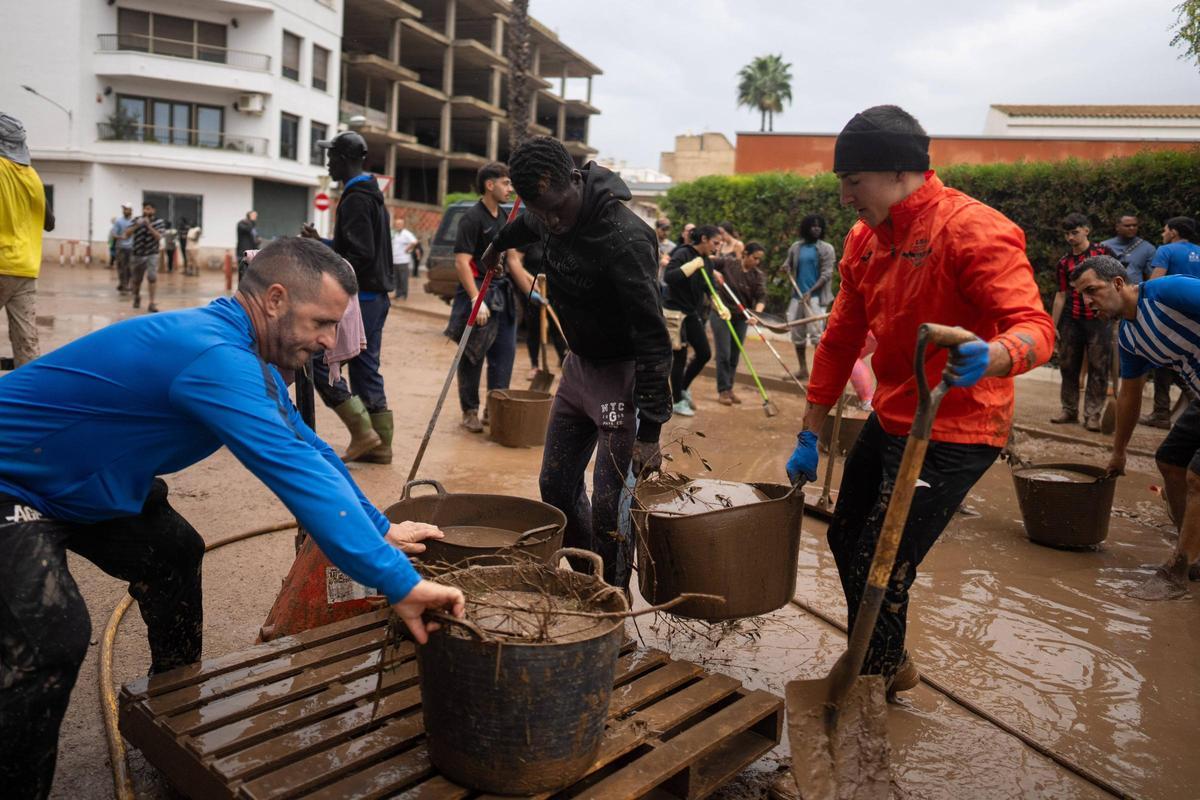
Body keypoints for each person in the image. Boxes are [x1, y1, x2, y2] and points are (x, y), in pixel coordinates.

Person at [0, 236, 464, 799]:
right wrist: (399, 582)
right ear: (274, 299)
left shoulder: (248, 356)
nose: (328, 341)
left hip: (76, 483)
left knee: (173, 553)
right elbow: (294, 472)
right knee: (50, 636)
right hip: (12, 481)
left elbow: (309, 447)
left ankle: (171, 708)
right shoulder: (214, 357)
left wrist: (380, 528)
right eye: (321, 323)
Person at [785, 105, 1053, 694]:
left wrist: (995, 355)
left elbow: (1036, 328)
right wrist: (809, 430)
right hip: (894, 414)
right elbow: (840, 340)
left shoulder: (972, 229)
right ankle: (890, 660)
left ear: (898, 172)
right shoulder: (863, 239)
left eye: (853, 182)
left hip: (958, 428)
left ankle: (872, 676)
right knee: (844, 536)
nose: (845, 198)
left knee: (882, 561)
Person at [483, 136, 673, 589]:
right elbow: (525, 224)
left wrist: (651, 432)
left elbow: (653, 336)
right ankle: (591, 583)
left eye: (555, 210)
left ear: (573, 180)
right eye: (541, 211)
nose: (551, 221)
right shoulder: (547, 207)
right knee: (555, 487)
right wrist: (496, 245)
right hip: (577, 371)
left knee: (610, 508)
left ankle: (614, 600)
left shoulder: (627, 239)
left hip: (620, 381)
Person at [1074, 254, 1200, 600]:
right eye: (1082, 296)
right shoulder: (1129, 337)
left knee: (1197, 477)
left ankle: (1176, 572)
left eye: (1092, 291)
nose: (1087, 302)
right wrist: (1119, 453)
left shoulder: (1168, 292)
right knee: (1170, 462)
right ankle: (1191, 549)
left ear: (1118, 284)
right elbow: (1129, 394)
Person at [301, 131, 396, 463]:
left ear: (343, 159)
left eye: (331, 157)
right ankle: (380, 446)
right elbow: (358, 248)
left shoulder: (356, 199)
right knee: (366, 368)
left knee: (318, 360)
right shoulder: (370, 195)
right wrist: (323, 244)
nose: (328, 163)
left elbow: (360, 255)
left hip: (361, 299)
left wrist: (325, 260)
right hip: (375, 297)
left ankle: (362, 431)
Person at [448, 161, 536, 433]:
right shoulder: (472, 218)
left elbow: (513, 261)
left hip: (503, 297)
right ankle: (470, 411)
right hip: (478, 292)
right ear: (490, 185)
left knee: (504, 356)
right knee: (473, 356)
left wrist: (533, 291)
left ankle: (494, 409)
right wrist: (476, 298)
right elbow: (462, 262)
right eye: (505, 183)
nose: (510, 189)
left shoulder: (505, 219)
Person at [1050, 212, 1114, 431]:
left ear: (1087, 230)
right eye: (1067, 234)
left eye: (1074, 232)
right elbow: (1061, 295)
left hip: (1099, 318)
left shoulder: (1103, 253)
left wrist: (1115, 310)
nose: (1070, 237)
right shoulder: (1064, 262)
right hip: (1072, 319)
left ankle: (1093, 415)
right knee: (1068, 366)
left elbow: (1117, 281)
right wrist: (1052, 325)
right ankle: (1069, 410)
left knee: (1099, 367)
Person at [0, 113, 53, 366]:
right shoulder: (32, 176)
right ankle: (29, 386)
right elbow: (49, 222)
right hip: (26, 269)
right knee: (27, 343)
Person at [1138, 217, 1200, 428]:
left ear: (1174, 232)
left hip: (1170, 317)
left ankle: (1161, 413)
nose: (1163, 233)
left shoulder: (1166, 250)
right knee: (1188, 363)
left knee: (1163, 363)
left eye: (1165, 230)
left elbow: (1155, 284)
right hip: (1195, 318)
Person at [663, 224, 723, 417]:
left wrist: (719, 305)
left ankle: (682, 388)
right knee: (680, 357)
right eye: (715, 243)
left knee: (704, 353)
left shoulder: (707, 261)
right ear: (704, 239)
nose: (717, 248)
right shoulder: (683, 253)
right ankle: (676, 401)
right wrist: (690, 266)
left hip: (691, 312)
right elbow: (669, 277)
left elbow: (710, 287)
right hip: (675, 312)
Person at [781, 214, 836, 380]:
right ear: (806, 228)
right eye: (813, 226)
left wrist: (811, 291)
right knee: (797, 333)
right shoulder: (796, 247)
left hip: (816, 299)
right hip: (797, 297)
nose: (816, 229)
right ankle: (803, 369)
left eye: (819, 226)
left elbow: (827, 273)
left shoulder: (826, 249)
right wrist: (785, 267)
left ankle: (821, 374)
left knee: (817, 335)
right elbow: (787, 264)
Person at [712, 241, 766, 405]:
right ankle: (723, 390)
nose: (757, 262)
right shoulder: (728, 263)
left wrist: (756, 315)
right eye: (755, 258)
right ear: (745, 254)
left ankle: (729, 388)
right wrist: (714, 272)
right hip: (722, 314)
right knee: (724, 353)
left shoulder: (757, 275)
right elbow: (706, 262)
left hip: (741, 317)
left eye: (759, 259)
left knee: (734, 355)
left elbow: (761, 297)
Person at [126, 200, 166, 312]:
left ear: (153, 210)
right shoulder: (136, 220)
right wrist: (137, 225)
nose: (146, 211)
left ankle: (152, 303)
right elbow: (126, 234)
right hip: (137, 254)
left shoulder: (159, 222)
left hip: (152, 253)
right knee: (136, 280)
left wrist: (149, 226)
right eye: (144, 209)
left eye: (148, 209)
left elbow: (159, 237)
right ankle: (137, 296)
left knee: (152, 277)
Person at [1102, 214, 1156, 285]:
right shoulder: (1104, 246)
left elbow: (1151, 277)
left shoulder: (1148, 248)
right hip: (1110, 288)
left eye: (1134, 225)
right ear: (1117, 227)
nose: (1131, 228)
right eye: (1127, 226)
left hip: (1136, 289)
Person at [390, 215, 417, 301]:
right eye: (396, 224)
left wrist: (407, 249)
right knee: (397, 279)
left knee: (403, 279)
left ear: (403, 225)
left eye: (400, 224)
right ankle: (398, 294)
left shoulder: (406, 233)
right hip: (395, 260)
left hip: (403, 260)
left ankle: (403, 295)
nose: (398, 225)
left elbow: (414, 241)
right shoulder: (395, 233)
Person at [111, 202, 134, 292]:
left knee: (130, 268)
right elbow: (114, 234)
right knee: (121, 267)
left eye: (127, 209)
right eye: (124, 209)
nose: (125, 211)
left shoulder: (134, 222)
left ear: (131, 210)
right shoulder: (118, 221)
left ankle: (127, 284)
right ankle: (123, 284)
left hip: (131, 248)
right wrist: (121, 237)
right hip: (121, 248)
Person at [236, 210, 262, 281]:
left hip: (252, 252)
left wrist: (257, 240)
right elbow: (247, 229)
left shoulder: (252, 226)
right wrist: (251, 221)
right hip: (243, 251)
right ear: (249, 215)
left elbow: (254, 236)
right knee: (243, 271)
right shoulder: (242, 223)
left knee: (251, 272)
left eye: (256, 216)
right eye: (254, 215)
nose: (256, 217)